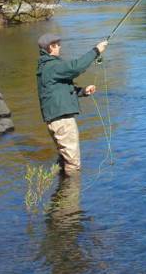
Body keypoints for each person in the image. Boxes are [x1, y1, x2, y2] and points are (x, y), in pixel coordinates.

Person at [36, 33, 108, 174]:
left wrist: (82, 91)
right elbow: (76, 67)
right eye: (58, 44)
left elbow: (60, 89)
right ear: (51, 47)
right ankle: (70, 194)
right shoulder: (52, 66)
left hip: (56, 120)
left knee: (64, 160)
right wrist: (96, 50)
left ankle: (59, 192)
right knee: (73, 164)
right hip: (62, 121)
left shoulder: (46, 67)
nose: (60, 46)